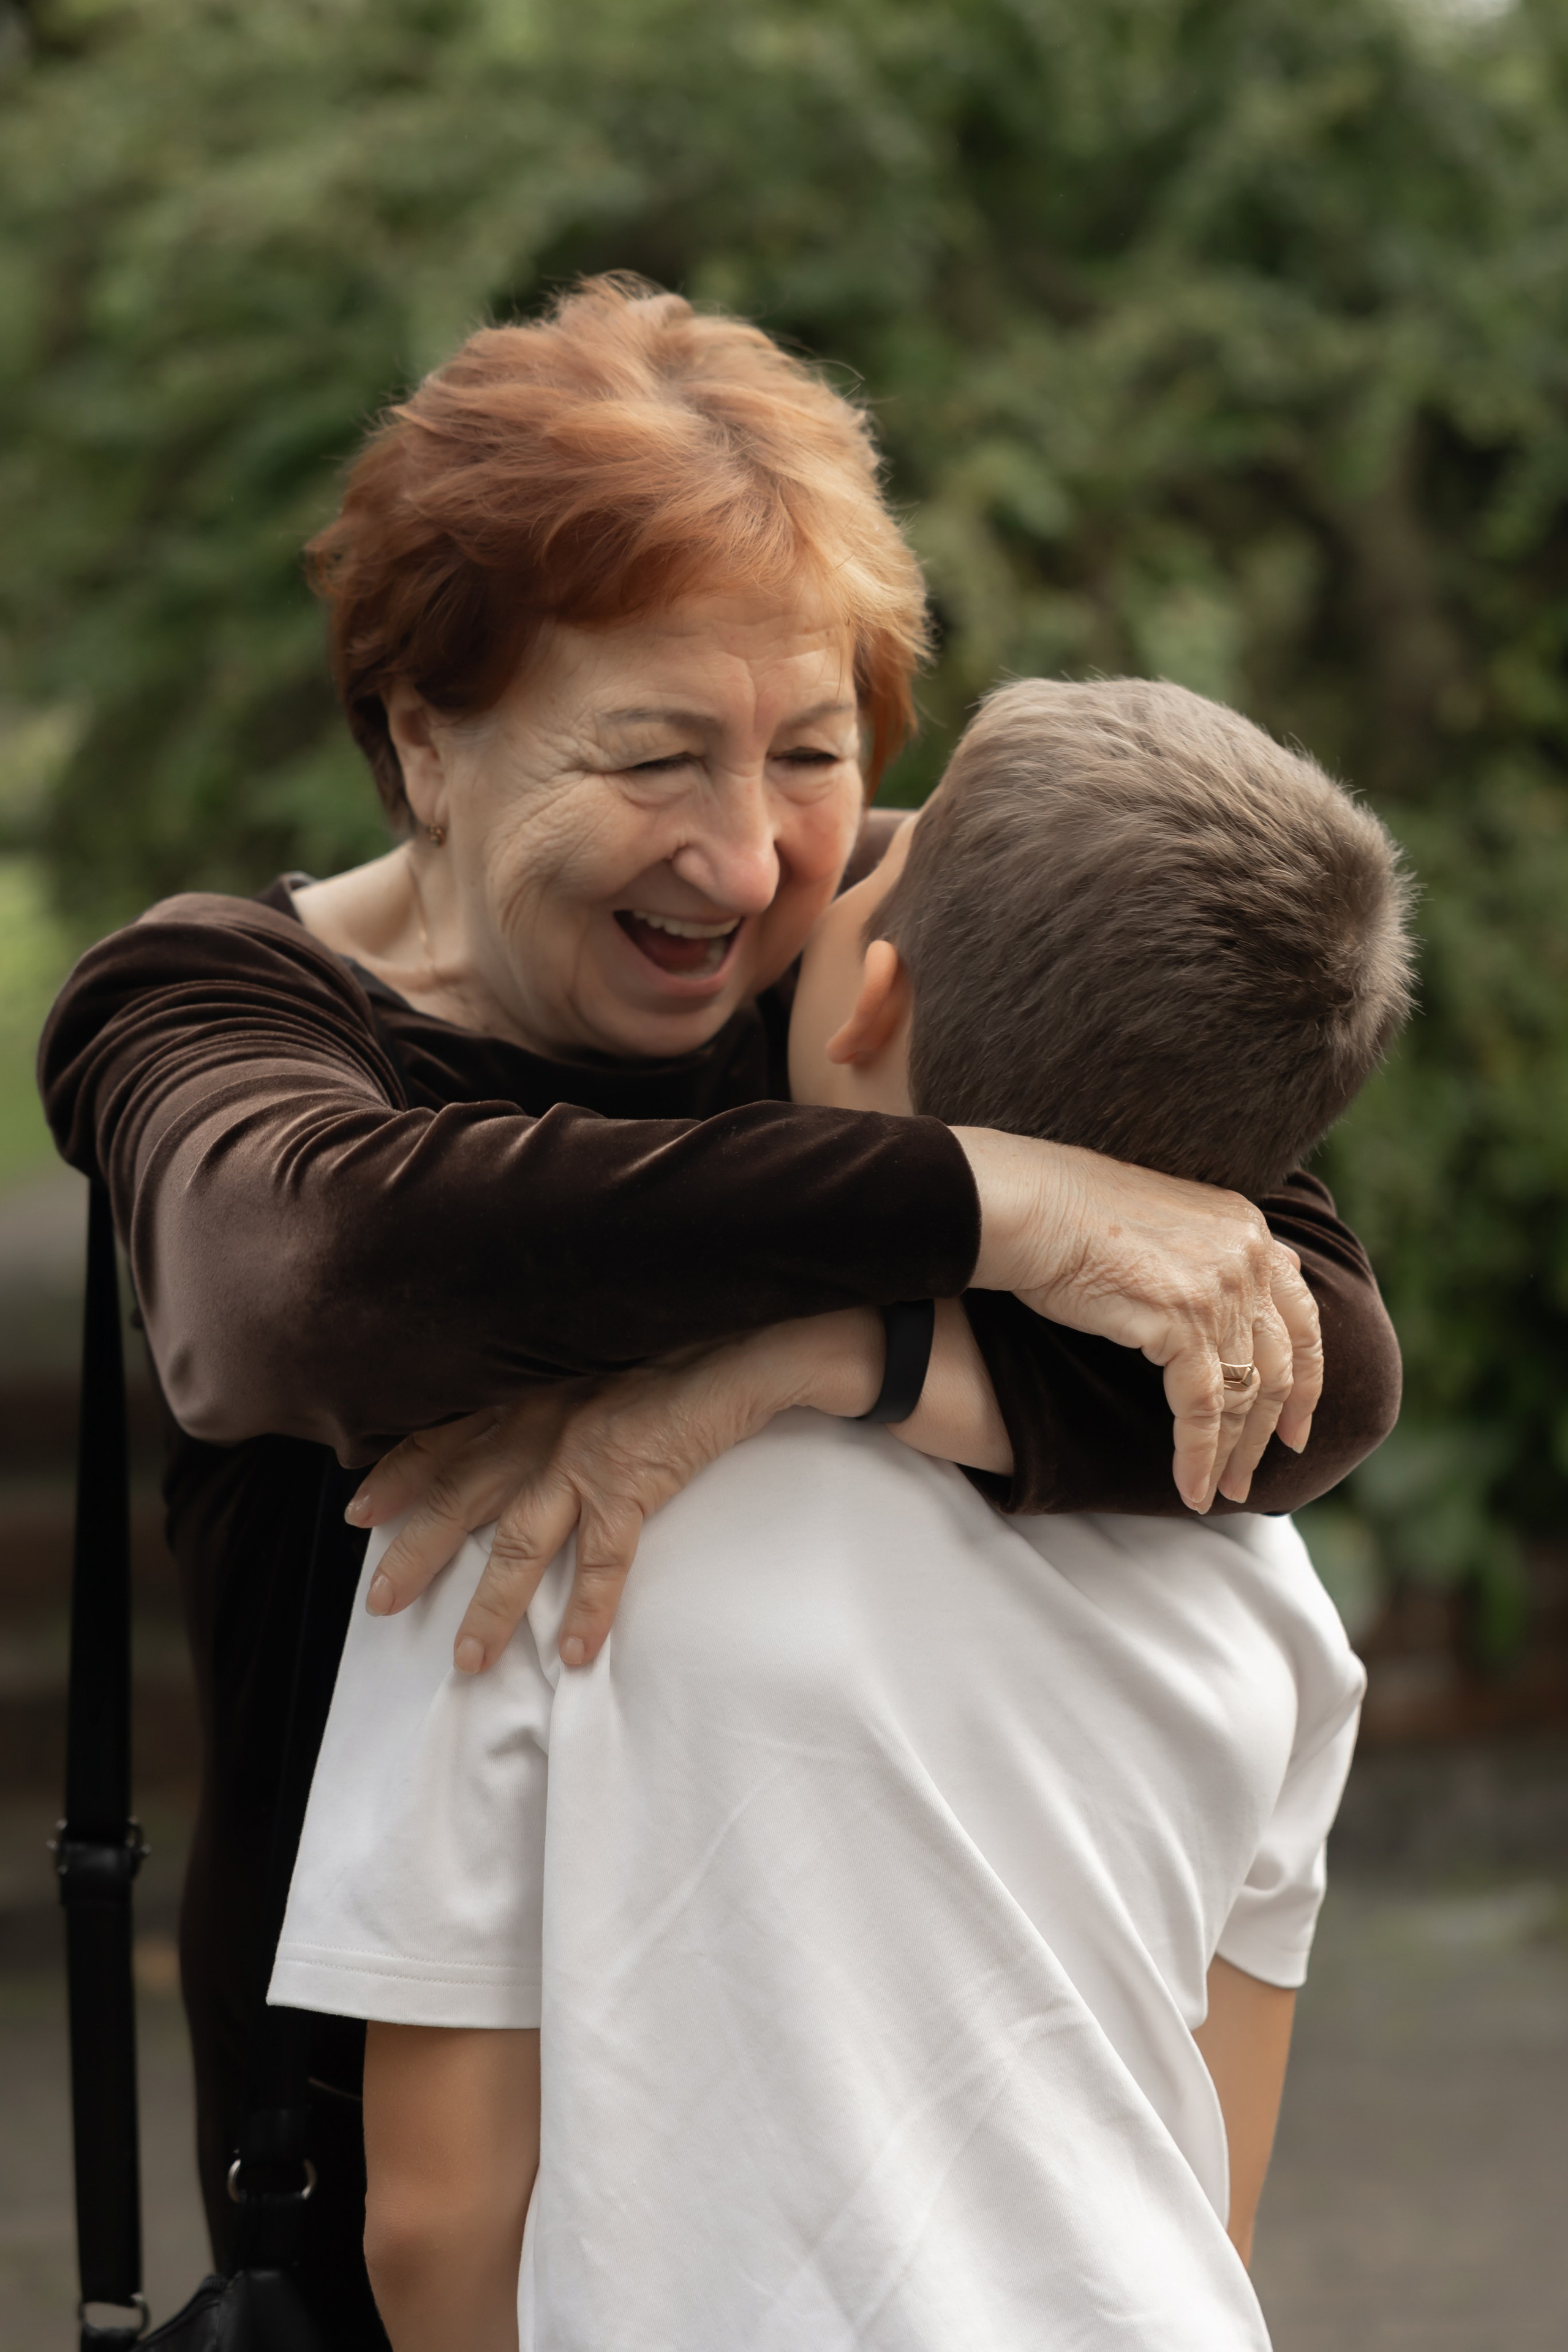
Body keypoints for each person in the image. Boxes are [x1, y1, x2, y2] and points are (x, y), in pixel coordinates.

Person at [39, 278, 1396, 2346]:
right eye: (653, 754)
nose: (752, 855)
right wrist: (994, 1203)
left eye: (818, 750)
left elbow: (1309, 1357)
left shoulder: (861, 957)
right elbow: (292, 1289)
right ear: (426, 739)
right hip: (405, 2252)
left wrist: (815, 1351)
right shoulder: (226, 1011)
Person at [274, 677, 1410, 2351]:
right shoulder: (1269, 1584)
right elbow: (1202, 2197)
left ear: (868, 996)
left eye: (877, 849)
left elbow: (440, 2228)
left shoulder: (536, 1495)